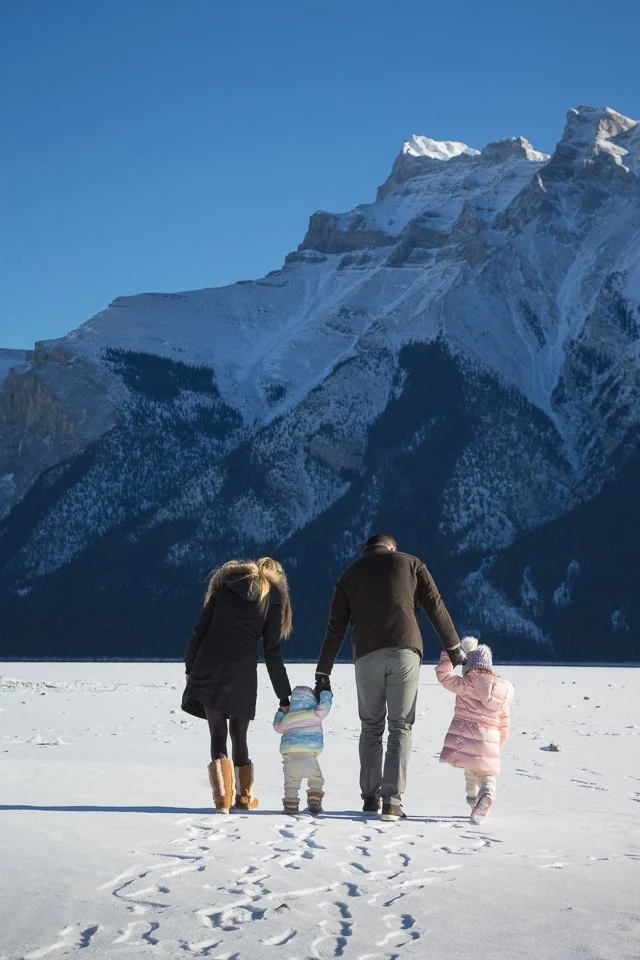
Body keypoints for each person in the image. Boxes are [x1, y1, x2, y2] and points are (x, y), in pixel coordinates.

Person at [314, 533, 465, 822]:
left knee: (371, 726)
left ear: (367, 551)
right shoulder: (411, 564)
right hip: (405, 651)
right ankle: (392, 803)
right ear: (393, 548)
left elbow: (335, 629)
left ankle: (370, 798)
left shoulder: (349, 576)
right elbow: (434, 603)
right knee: (400, 726)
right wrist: (454, 647)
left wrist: (323, 673)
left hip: (366, 655)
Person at [182, 557, 292, 814]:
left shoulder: (223, 587)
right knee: (238, 734)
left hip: (209, 663)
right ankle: (244, 797)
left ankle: (222, 800)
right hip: (242, 669)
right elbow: (272, 652)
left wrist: (190, 668)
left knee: (217, 733)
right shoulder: (272, 595)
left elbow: (199, 632)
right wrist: (284, 696)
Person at [435, 635, 514, 824]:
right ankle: (487, 793)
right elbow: (504, 723)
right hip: (491, 741)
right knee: (487, 774)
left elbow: (444, 677)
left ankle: (472, 800)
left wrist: (448, 653)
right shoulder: (502, 691)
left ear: (468, 666)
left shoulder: (467, 684)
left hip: (468, 738)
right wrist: (499, 744)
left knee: (470, 770)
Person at [273, 684, 333, 815]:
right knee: (316, 780)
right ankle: (314, 801)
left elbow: (277, 727)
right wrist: (326, 693)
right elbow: (325, 707)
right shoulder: (315, 714)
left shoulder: (287, 718)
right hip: (309, 757)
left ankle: (290, 806)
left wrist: (280, 712)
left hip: (290, 759)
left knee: (290, 785)